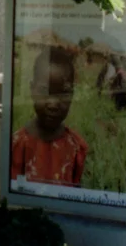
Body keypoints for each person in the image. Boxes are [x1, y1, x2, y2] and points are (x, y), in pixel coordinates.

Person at [12, 47, 88, 187]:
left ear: (72, 95)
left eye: (63, 93)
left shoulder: (77, 148)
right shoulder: (17, 145)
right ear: (32, 90)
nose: (53, 104)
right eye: (44, 91)